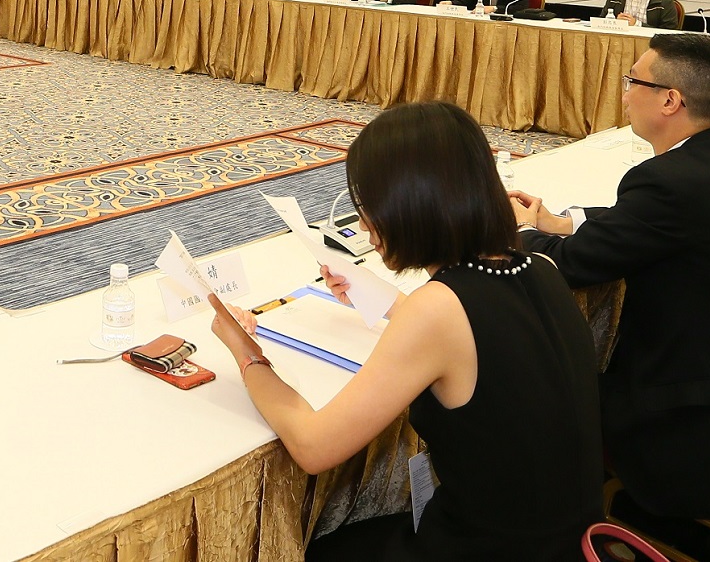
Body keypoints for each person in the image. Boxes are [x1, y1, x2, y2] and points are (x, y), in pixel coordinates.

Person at [209, 101, 602, 561]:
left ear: (410, 207)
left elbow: (313, 446)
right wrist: (378, 296)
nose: (362, 226)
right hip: (571, 543)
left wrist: (245, 351)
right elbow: (477, 334)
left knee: (316, 546)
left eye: (368, 209)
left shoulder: (437, 310)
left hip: (486, 549)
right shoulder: (542, 266)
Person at [509, 34, 710, 522]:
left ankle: (561, 521)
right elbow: (647, 223)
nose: (624, 95)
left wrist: (515, 231)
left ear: (670, 100)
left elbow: (572, 265)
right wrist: (562, 221)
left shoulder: (669, 181)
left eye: (632, 82)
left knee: (546, 389)